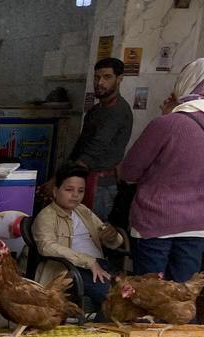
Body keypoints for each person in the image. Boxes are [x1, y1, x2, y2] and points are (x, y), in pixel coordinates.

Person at [119, 58, 204, 281]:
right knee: (181, 296)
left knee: (150, 295)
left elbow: (129, 171)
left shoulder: (167, 124)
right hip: (197, 225)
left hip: (155, 223)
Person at [32, 163, 123, 312]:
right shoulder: (47, 216)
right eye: (69, 190)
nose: (75, 195)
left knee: (133, 290)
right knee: (113, 298)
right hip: (73, 270)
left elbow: (113, 240)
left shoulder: (82, 210)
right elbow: (46, 246)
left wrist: (112, 236)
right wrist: (88, 261)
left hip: (100, 265)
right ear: (55, 191)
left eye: (80, 191)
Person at [63, 58, 133, 218]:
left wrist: (64, 179)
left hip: (101, 184)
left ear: (120, 79)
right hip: (82, 177)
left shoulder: (118, 111)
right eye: (97, 77)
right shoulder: (96, 110)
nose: (100, 82)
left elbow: (95, 149)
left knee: (95, 230)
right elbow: (81, 145)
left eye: (107, 77)